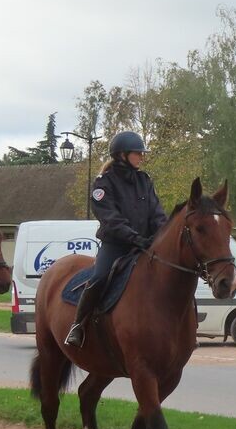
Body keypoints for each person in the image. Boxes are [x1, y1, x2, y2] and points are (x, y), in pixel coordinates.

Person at [64, 131, 168, 347]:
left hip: (145, 245)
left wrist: (161, 236)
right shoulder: (104, 184)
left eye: (142, 153)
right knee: (100, 277)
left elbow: (157, 213)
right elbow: (110, 219)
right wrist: (134, 238)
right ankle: (78, 325)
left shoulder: (144, 180)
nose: (142, 156)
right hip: (116, 245)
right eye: (138, 152)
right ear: (122, 155)